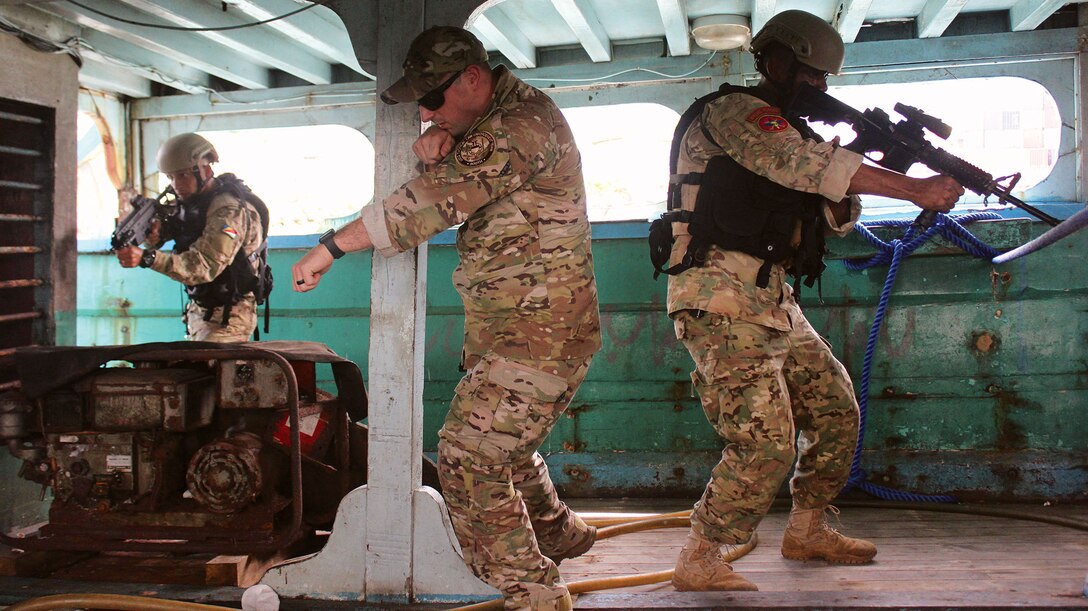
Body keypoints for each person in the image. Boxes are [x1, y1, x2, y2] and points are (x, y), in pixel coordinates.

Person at [291, 26, 600, 611]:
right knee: (503, 448)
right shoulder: (495, 117)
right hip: (516, 324)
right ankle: (560, 534)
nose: (426, 110)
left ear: (474, 79)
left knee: (468, 456)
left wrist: (330, 248)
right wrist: (445, 131)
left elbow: (428, 205)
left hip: (543, 329)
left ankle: (534, 592)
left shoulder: (517, 128)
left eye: (433, 99)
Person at [659, 10, 965, 591]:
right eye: (812, 77)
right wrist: (912, 186)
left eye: (825, 82)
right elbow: (803, 164)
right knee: (764, 441)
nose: (820, 91)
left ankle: (807, 528)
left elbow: (831, 214)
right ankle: (701, 554)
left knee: (834, 406)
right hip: (719, 290)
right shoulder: (735, 113)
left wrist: (886, 162)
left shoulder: (796, 134)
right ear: (777, 63)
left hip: (772, 295)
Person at [116, 133, 271, 342]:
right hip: (199, 311)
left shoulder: (228, 211)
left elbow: (203, 265)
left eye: (182, 175)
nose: (176, 184)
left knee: (205, 372)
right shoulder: (192, 202)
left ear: (205, 170)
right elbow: (182, 229)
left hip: (230, 316)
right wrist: (154, 234)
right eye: (170, 177)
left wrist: (148, 258)